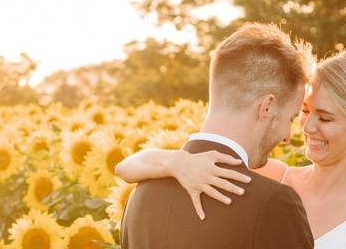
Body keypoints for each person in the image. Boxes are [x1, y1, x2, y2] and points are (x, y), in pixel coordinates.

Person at [117, 49, 346, 249]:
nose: (308, 127)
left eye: (325, 118)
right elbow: (127, 168)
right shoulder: (271, 176)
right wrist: (176, 163)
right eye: (305, 111)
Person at [119, 22, 314, 249]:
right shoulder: (273, 203)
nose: (286, 136)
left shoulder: (139, 197)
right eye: (290, 118)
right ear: (267, 107)